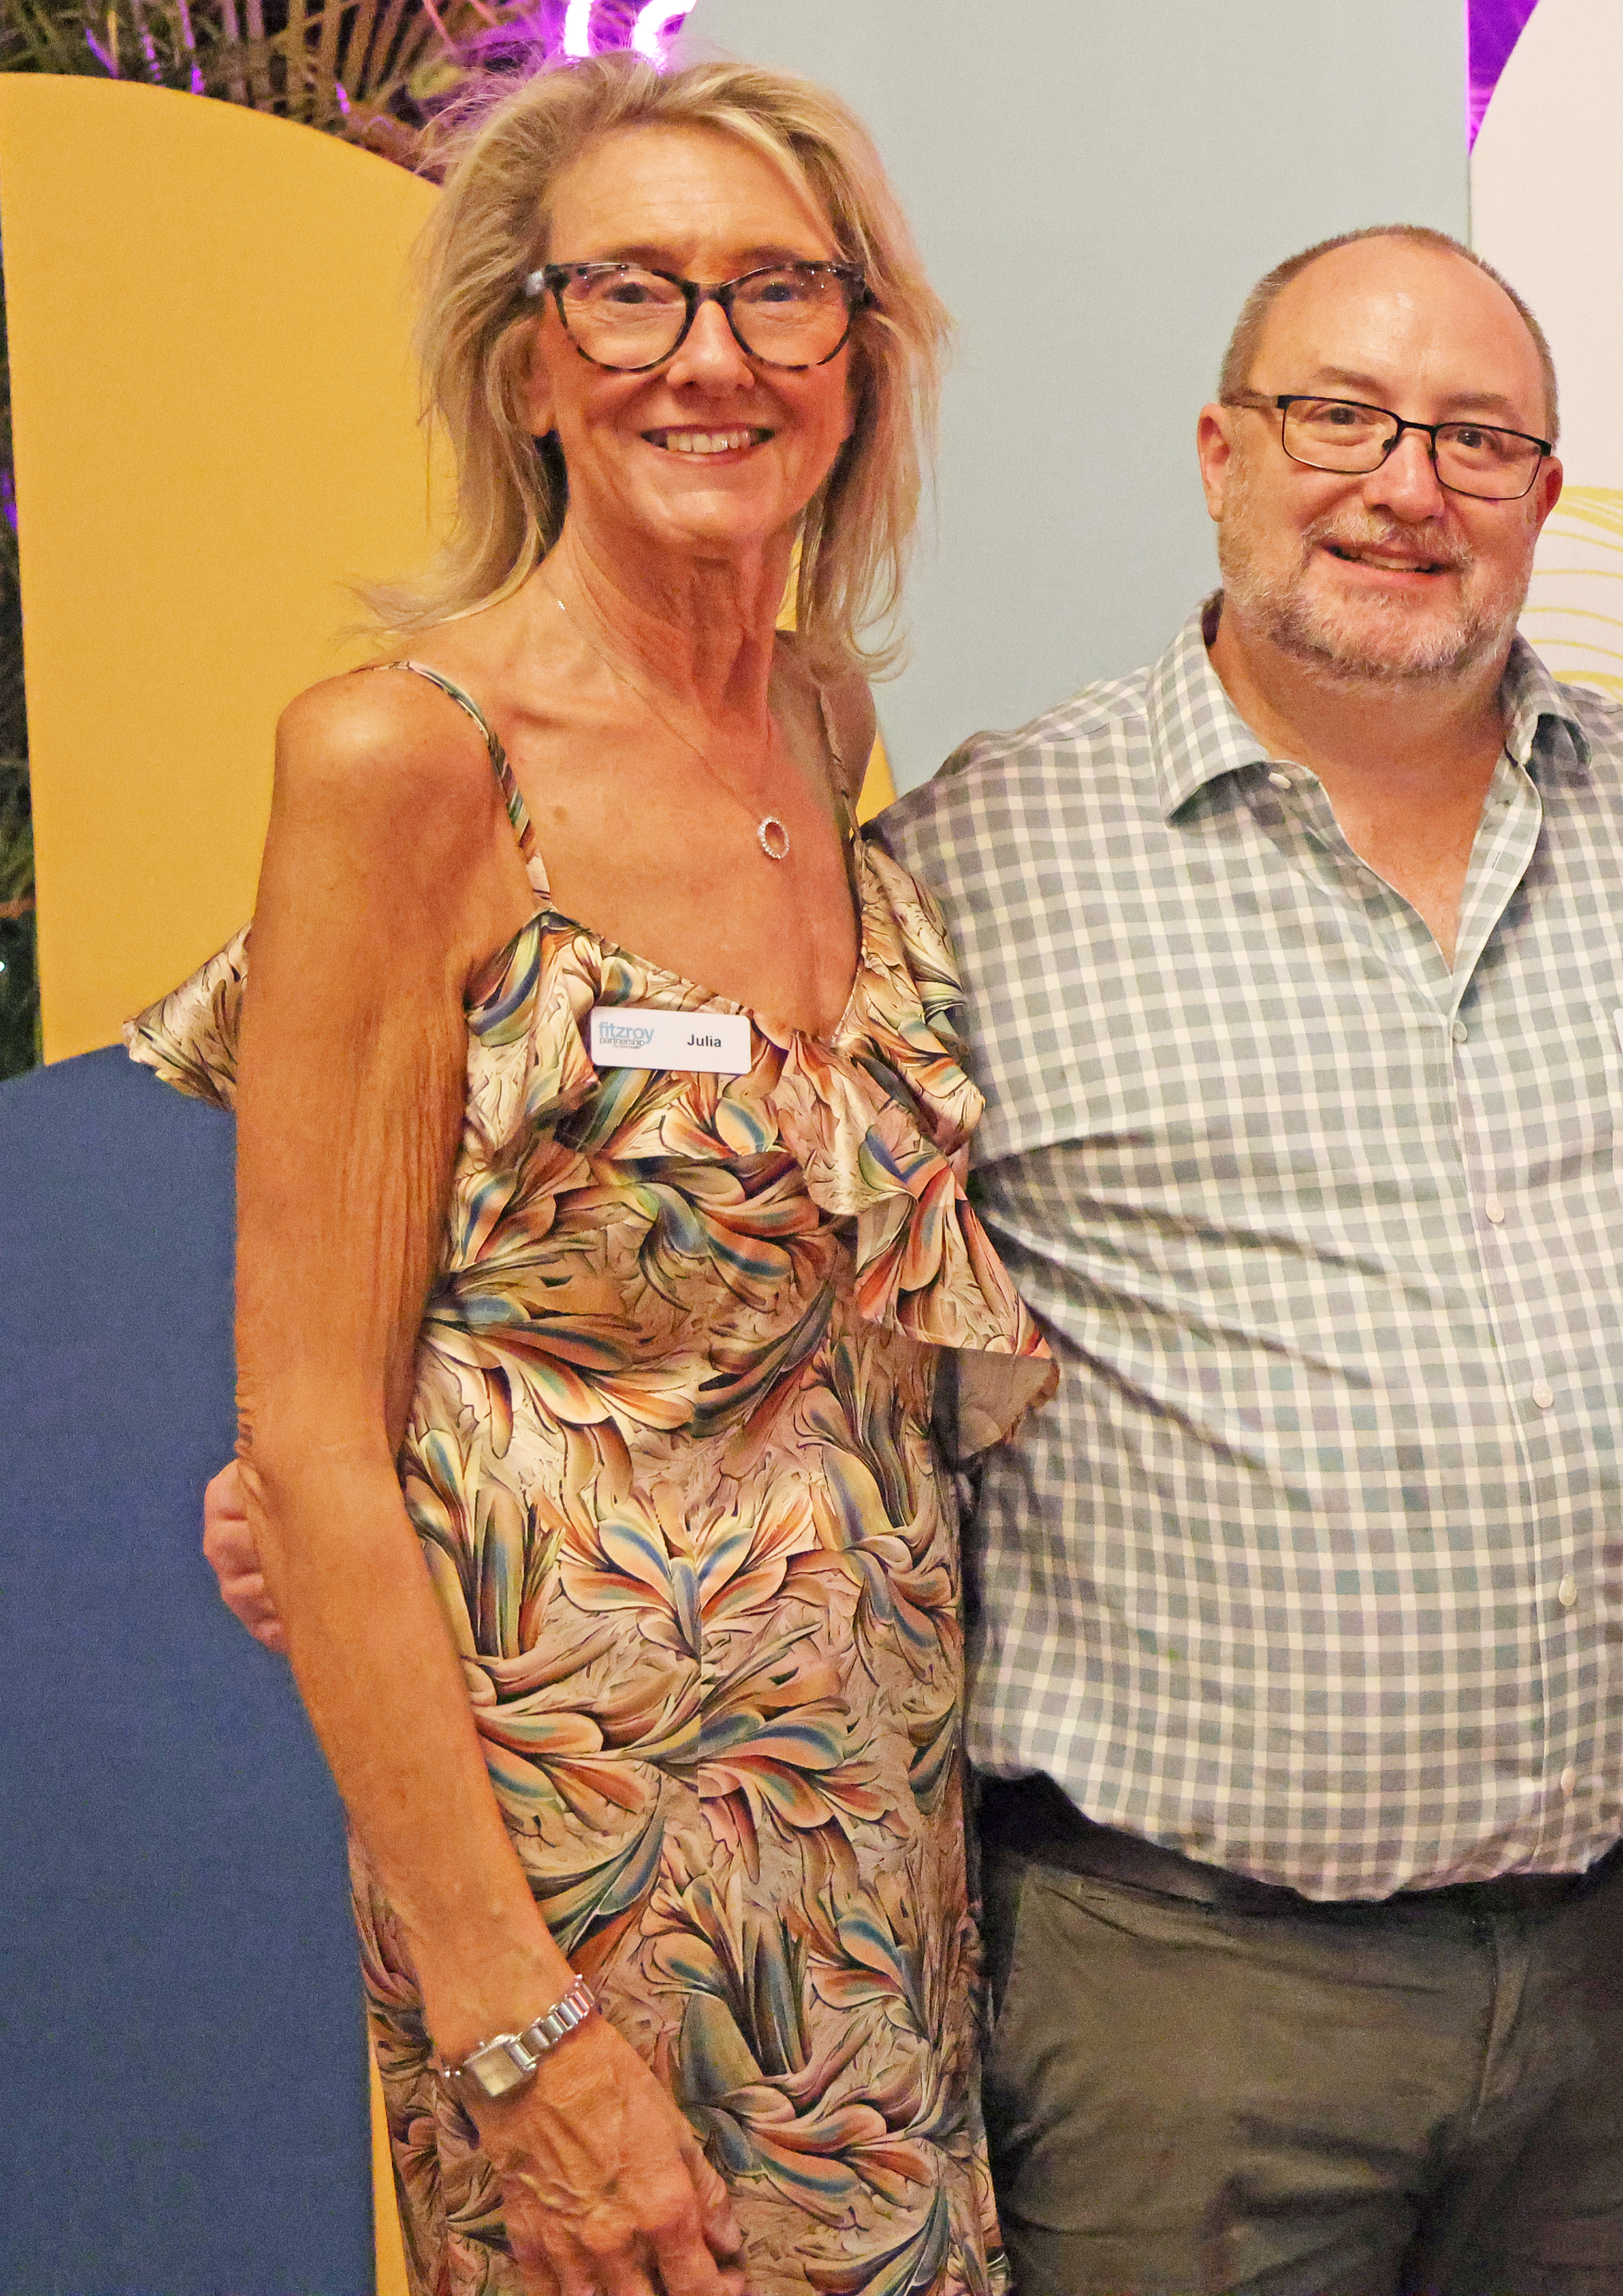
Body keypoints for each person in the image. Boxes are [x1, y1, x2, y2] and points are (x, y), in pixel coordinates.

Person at [147, 53, 1047, 2296]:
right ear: (528, 360)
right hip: (579, 1897)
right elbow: (315, 1447)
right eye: (632, 292)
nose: (708, 356)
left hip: (867, 1847)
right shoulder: (403, 764)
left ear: (859, 359)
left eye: (776, 293)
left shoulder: (817, 718)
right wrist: (518, 2032)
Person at [865, 224, 1623, 2296]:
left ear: (1545, 496)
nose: (1408, 486)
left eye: (1476, 439)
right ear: (1221, 452)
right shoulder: (980, 862)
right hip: (1182, 1992)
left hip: (1618, 1965)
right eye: (1342, 418)